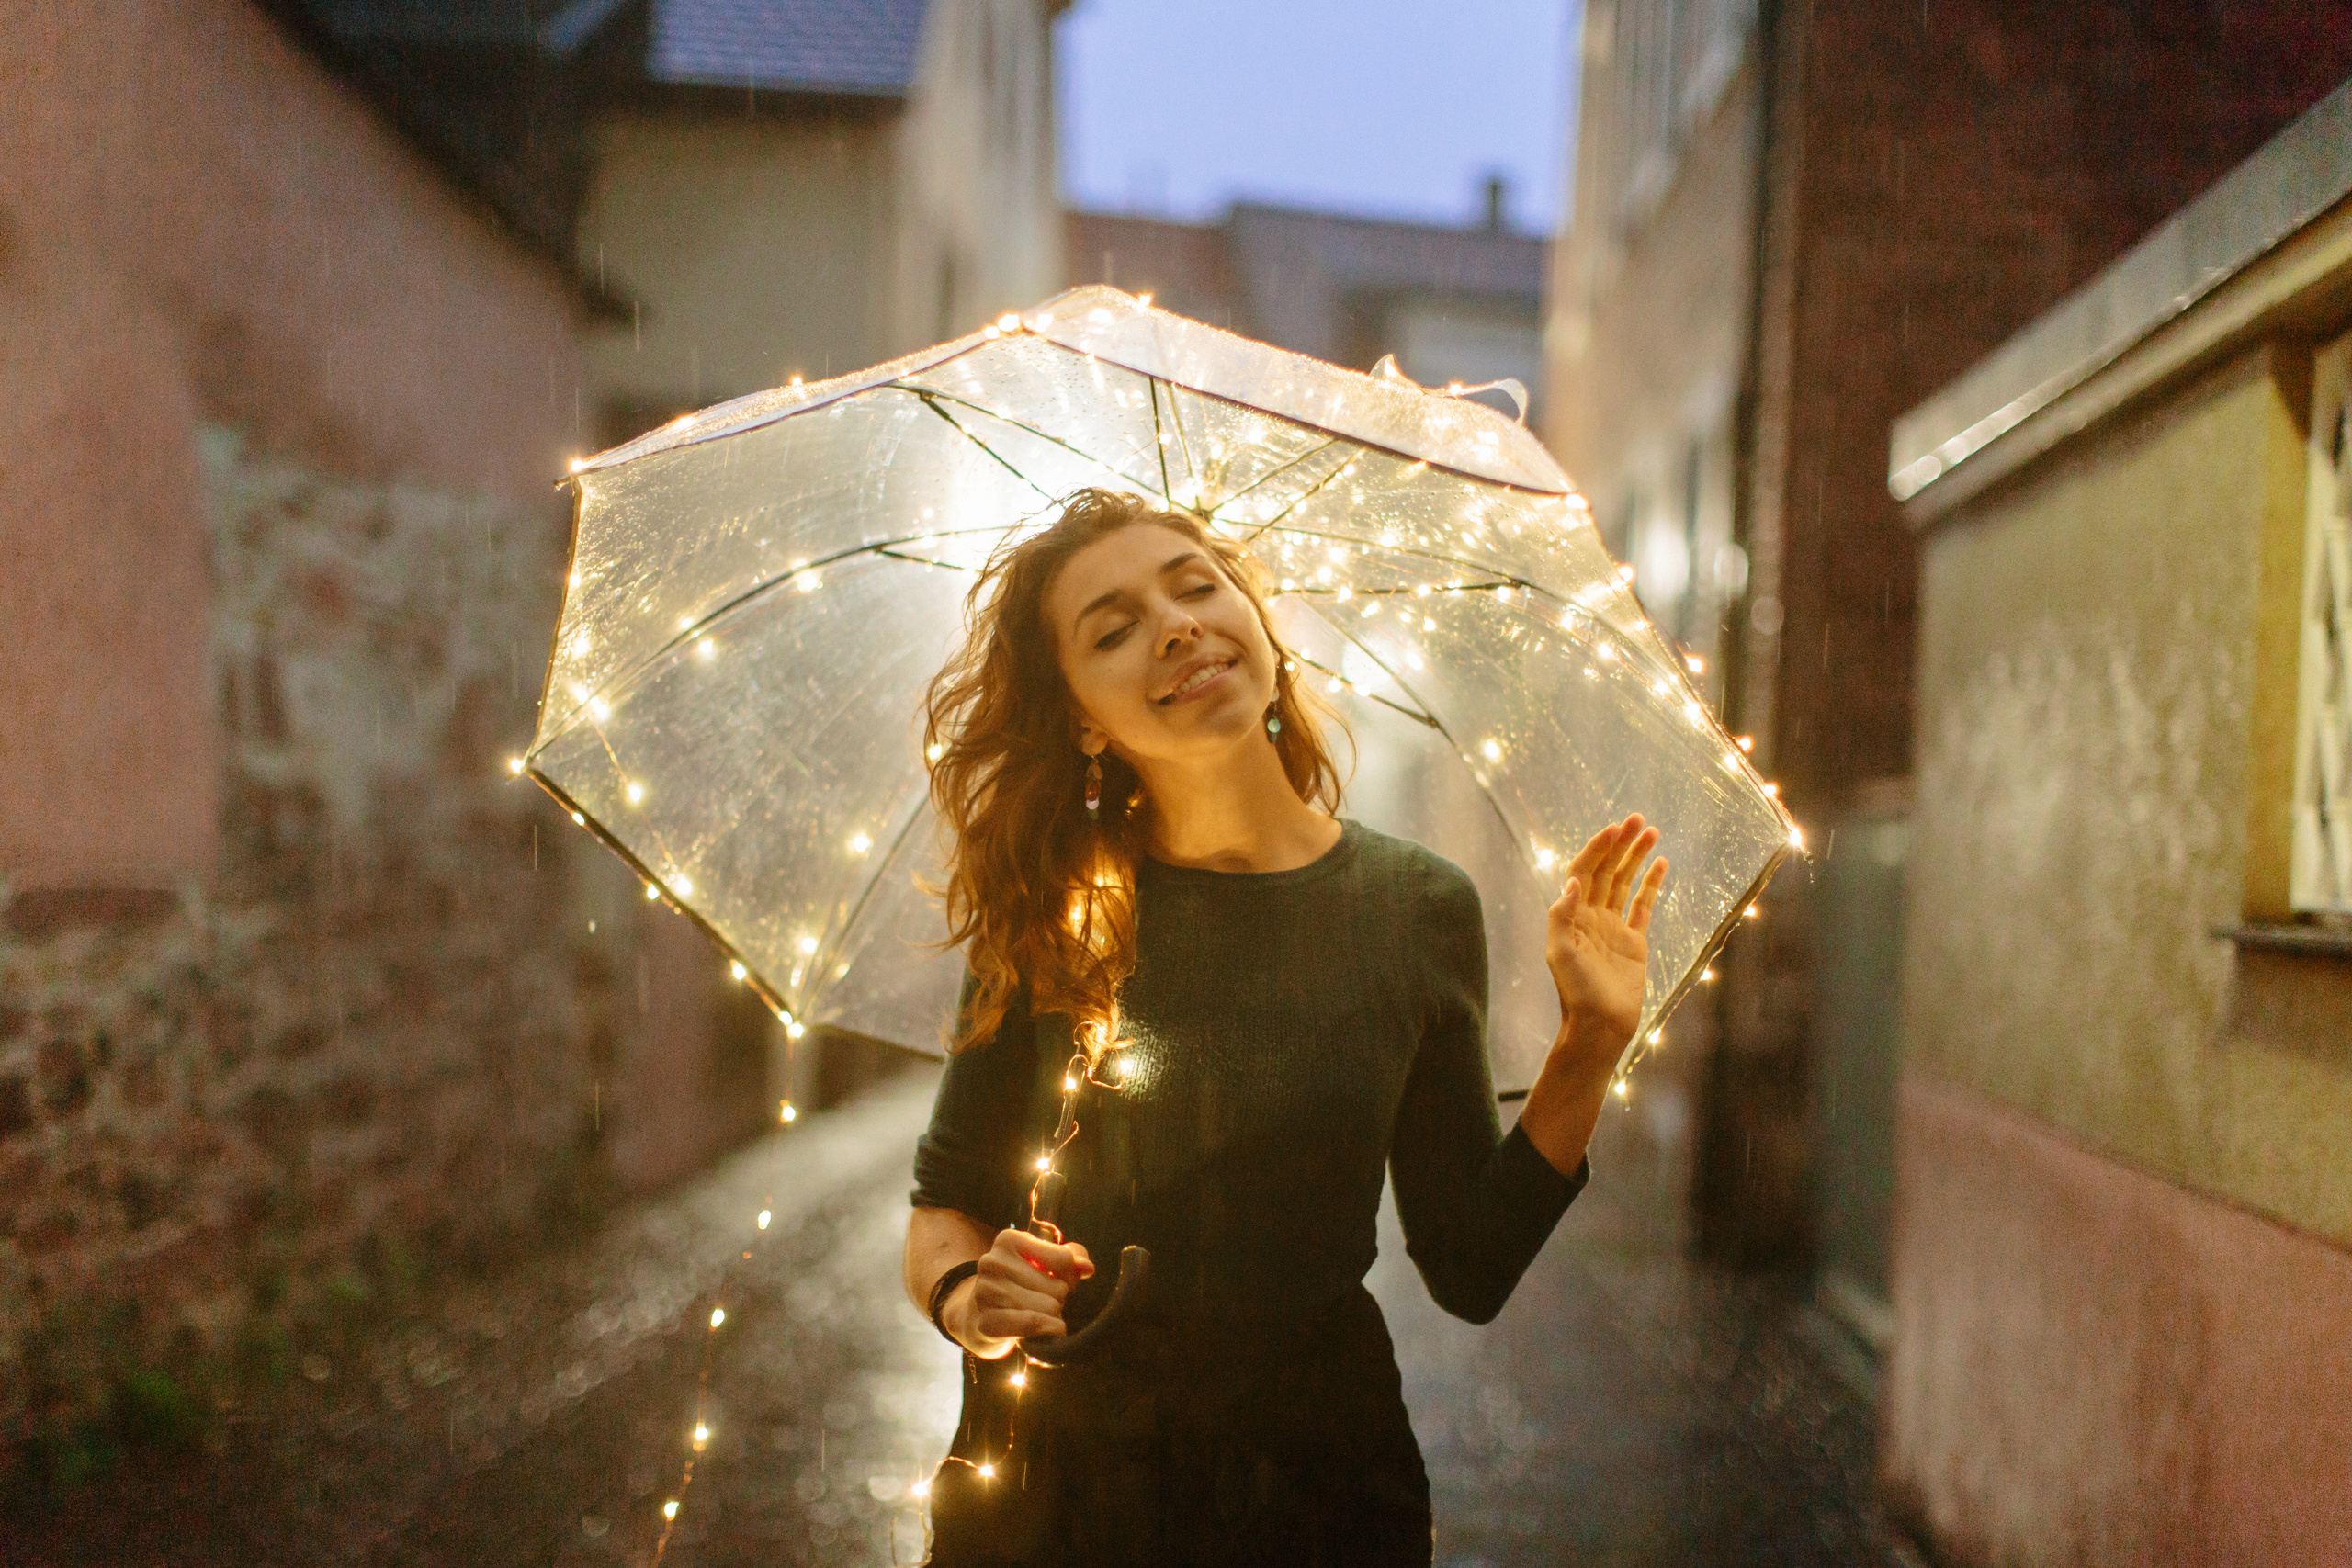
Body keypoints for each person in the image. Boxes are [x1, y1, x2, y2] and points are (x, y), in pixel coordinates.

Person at [901, 489, 1666, 1567]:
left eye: (1196, 587)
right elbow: (945, 1202)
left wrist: (1588, 1041)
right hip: (1060, 1489)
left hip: (1318, 1486)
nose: (1176, 627)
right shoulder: (1054, 912)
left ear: (1258, 625)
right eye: (1113, 631)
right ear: (1080, 718)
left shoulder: (1415, 908)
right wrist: (968, 1300)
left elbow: (1469, 1265)